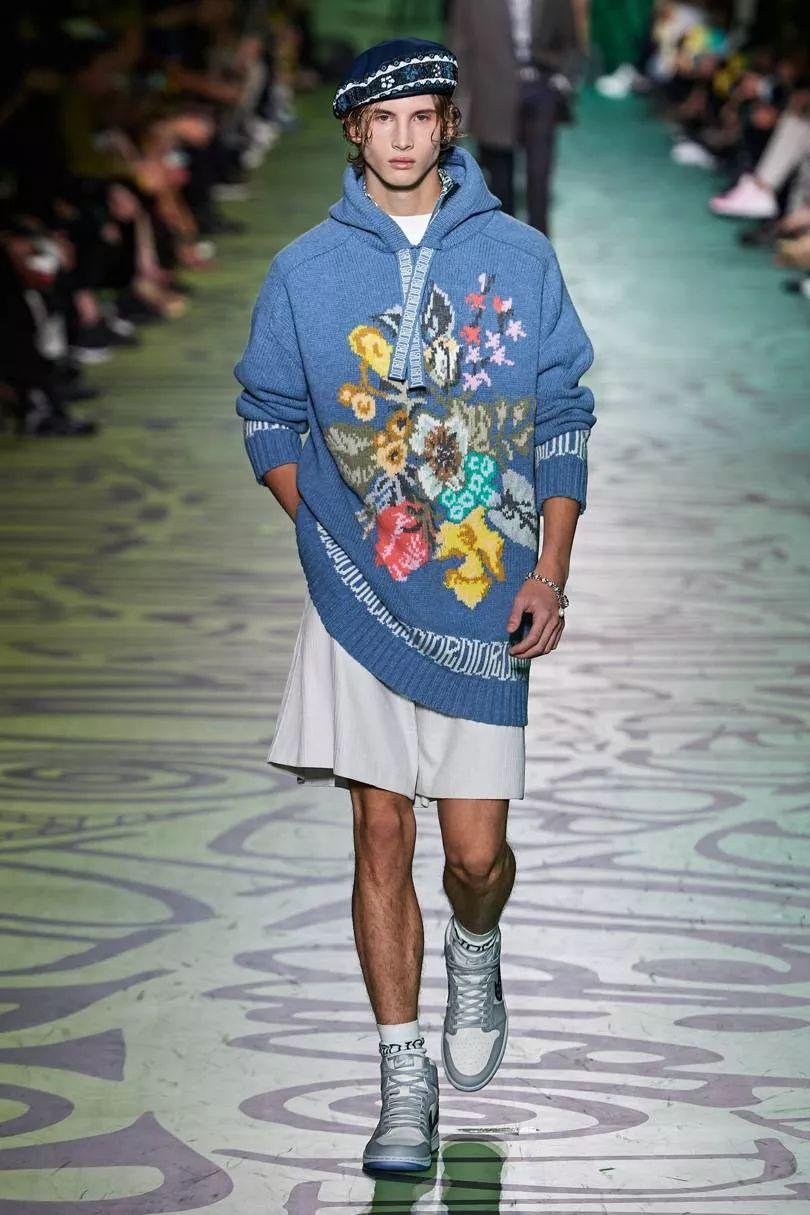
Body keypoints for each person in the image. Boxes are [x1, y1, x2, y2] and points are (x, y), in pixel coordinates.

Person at [233, 36, 597, 1173]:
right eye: (381, 120)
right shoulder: (304, 269)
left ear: (448, 125)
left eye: (421, 117)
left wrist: (549, 571)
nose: (401, 138)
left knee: (475, 857)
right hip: (360, 589)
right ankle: (401, 1081)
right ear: (354, 131)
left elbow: (562, 414)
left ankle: (476, 948)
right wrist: (321, 526)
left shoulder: (519, 256)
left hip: (485, 589)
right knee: (379, 829)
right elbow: (266, 412)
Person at [448, 0, 584, 235]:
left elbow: (570, 38)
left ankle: (539, 245)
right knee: (499, 177)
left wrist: (563, 80)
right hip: (492, 89)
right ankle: (506, 243)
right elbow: (460, 44)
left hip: (542, 87)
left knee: (540, 175)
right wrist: (460, 101)